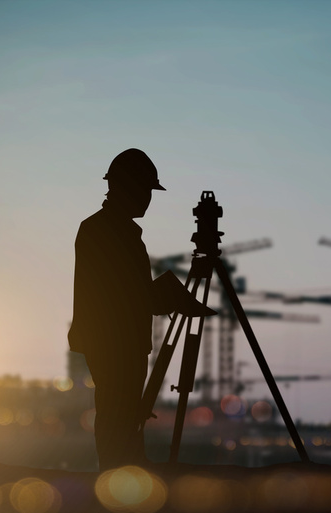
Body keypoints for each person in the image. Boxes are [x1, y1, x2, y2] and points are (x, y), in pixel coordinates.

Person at [68, 148, 214, 470]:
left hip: (125, 342)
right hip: (113, 343)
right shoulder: (102, 230)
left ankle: (129, 469)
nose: (148, 199)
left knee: (127, 412)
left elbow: (126, 292)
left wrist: (159, 295)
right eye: (146, 190)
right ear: (127, 188)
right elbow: (118, 294)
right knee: (117, 415)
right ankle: (117, 476)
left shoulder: (119, 231)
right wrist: (163, 295)